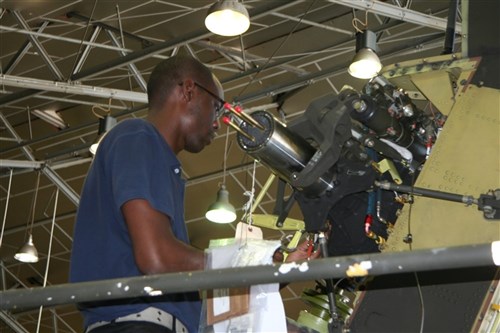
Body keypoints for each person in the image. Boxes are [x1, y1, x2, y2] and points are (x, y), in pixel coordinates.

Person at [70, 55, 318, 333]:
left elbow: (194, 301)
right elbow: (156, 257)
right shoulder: (137, 137)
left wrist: (276, 273)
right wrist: (242, 262)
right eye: (216, 106)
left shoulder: (162, 166)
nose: (217, 123)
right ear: (188, 91)